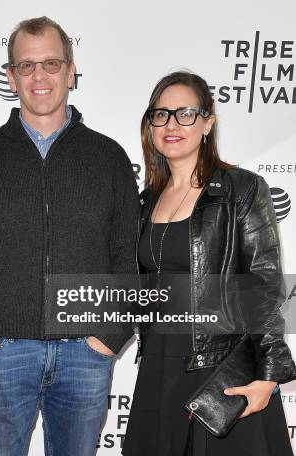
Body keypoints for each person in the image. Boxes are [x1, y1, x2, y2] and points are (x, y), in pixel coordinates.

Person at [0, 16, 139, 456]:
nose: (40, 76)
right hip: (2, 354)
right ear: (11, 77)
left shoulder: (108, 158)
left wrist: (108, 337)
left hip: (87, 355)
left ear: (71, 71)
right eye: (27, 66)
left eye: (51, 63)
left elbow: (130, 260)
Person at [123, 71, 296, 455]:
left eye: (186, 114)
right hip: (158, 364)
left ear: (207, 123)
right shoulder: (144, 200)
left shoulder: (242, 189)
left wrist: (268, 374)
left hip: (219, 365)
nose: (172, 124)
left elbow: (263, 284)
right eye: (161, 114)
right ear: (150, 126)